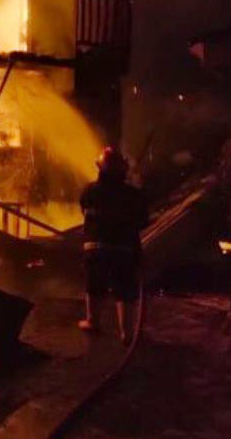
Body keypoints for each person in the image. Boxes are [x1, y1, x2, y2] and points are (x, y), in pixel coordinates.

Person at [78, 147, 148, 344]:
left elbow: (84, 210)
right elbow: (143, 220)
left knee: (95, 286)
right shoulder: (134, 195)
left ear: (100, 168)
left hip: (95, 248)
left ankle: (93, 321)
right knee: (124, 290)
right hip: (124, 250)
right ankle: (126, 333)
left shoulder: (90, 190)